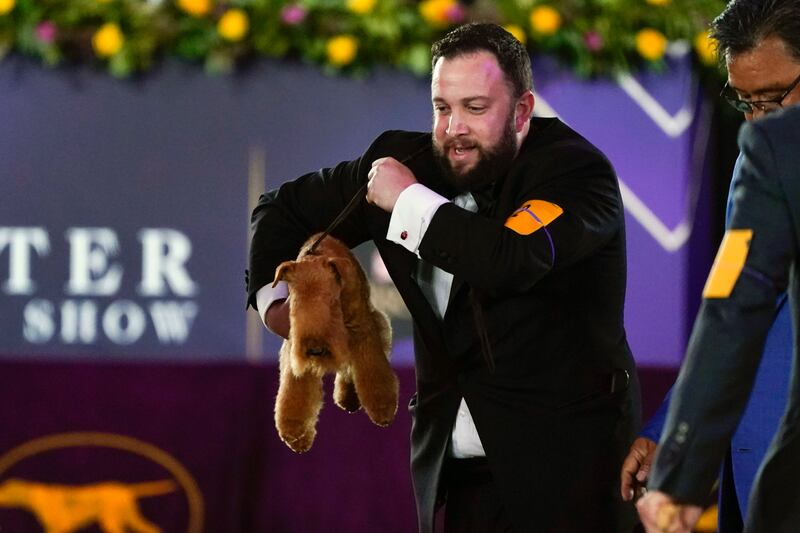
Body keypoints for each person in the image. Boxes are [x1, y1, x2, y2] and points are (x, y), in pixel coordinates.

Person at [247, 22, 640, 533]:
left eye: (475, 108)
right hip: (456, 480)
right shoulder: (405, 161)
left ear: (522, 111)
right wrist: (280, 310)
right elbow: (280, 209)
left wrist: (408, 200)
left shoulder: (575, 173)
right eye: (441, 107)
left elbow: (509, 258)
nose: (453, 128)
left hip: (569, 477)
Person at [620, 0, 800, 528]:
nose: (759, 120)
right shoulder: (762, 159)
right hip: (761, 472)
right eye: (745, 101)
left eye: (772, 98)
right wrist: (674, 434)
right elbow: (737, 309)